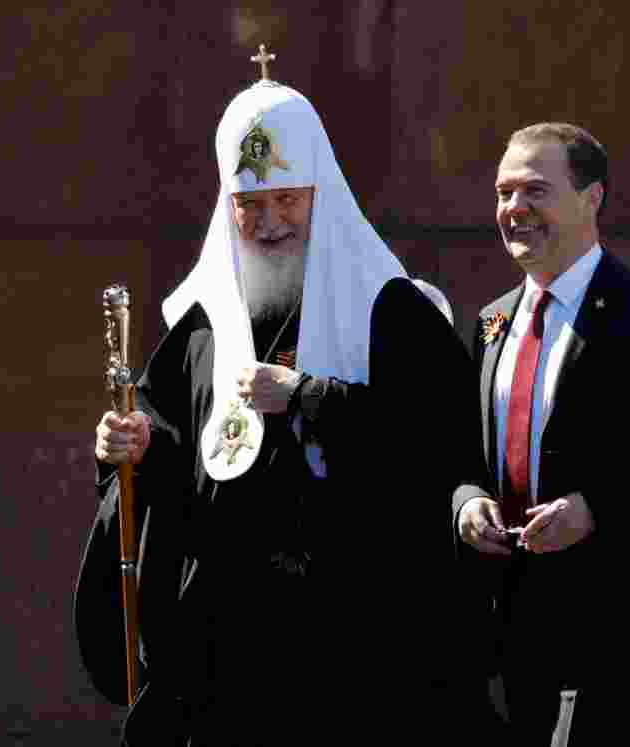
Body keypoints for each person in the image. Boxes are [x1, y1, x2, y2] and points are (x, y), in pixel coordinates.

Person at [76, 65, 482, 746]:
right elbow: (174, 456)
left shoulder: (393, 311)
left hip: (358, 648)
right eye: (250, 205)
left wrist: (307, 398)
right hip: (226, 654)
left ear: (320, 197)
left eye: (287, 202)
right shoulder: (202, 328)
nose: (268, 225)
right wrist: (131, 445)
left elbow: (441, 443)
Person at [452, 123, 630, 745]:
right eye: (503, 193)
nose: (514, 210)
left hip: (612, 610)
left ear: (592, 198)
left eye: (535, 191)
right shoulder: (491, 320)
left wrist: (596, 508)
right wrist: (466, 501)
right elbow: (461, 451)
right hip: (504, 613)